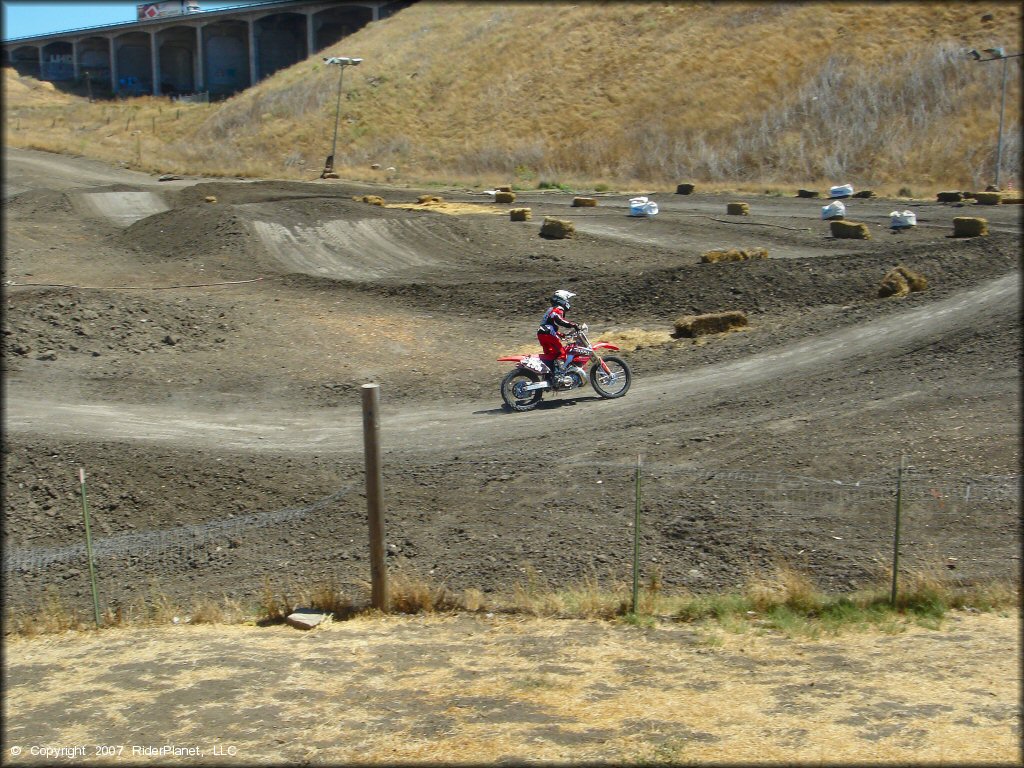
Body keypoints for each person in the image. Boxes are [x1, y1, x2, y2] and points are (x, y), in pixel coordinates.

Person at [537, 289, 580, 377]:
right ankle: (559, 374)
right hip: (548, 334)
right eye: (567, 300)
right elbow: (559, 320)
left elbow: (549, 324)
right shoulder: (558, 309)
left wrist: (560, 334)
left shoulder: (551, 309)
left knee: (552, 356)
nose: (568, 302)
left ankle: (550, 375)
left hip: (542, 334)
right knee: (562, 353)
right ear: (562, 299)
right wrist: (573, 325)